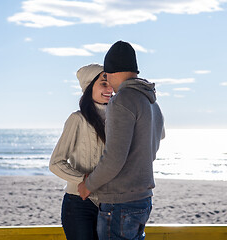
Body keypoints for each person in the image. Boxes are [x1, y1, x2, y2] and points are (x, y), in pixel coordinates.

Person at [78, 40, 165, 240]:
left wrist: (88, 185)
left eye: (106, 77)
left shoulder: (122, 100)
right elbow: (155, 144)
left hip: (120, 203)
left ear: (111, 72)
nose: (109, 85)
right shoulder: (152, 102)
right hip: (143, 199)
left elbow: (114, 158)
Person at [49, 63, 113, 240]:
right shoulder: (77, 119)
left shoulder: (119, 118)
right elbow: (55, 163)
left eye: (111, 83)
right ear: (89, 87)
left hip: (110, 205)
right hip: (78, 204)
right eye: (103, 83)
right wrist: (84, 180)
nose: (110, 88)